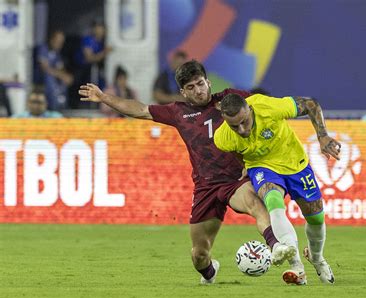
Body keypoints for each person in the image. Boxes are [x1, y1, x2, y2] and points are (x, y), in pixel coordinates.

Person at [78, 60, 297, 284]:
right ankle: (210, 273)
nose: (198, 90)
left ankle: (278, 247)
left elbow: (259, 107)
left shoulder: (229, 100)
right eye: (191, 87)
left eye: (200, 83)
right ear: (183, 92)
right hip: (205, 187)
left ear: (208, 82)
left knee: (256, 205)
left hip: (235, 181)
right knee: (199, 255)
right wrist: (104, 97)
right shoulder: (178, 112)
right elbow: (141, 110)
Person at [214, 93, 341, 285]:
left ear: (250, 110)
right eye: (234, 126)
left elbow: (310, 104)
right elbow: (236, 150)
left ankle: (317, 257)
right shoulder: (222, 137)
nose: (241, 130)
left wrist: (322, 136)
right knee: (272, 200)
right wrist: (246, 166)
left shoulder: (269, 107)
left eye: (244, 122)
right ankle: (297, 267)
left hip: (295, 163)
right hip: (262, 167)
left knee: (315, 217)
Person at [36, 29, 74, 110]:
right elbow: (45, 68)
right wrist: (61, 75)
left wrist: (66, 76)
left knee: (64, 80)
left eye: (61, 43)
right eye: (58, 41)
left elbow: (60, 68)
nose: (59, 45)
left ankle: (63, 106)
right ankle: (53, 108)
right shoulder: (43, 49)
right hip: (40, 77)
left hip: (53, 77)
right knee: (49, 78)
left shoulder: (57, 54)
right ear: (51, 40)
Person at [75, 19, 112, 92]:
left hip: (95, 70)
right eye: (97, 27)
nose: (99, 30)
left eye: (101, 27)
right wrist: (105, 52)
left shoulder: (103, 41)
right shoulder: (88, 40)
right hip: (82, 70)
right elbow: (89, 58)